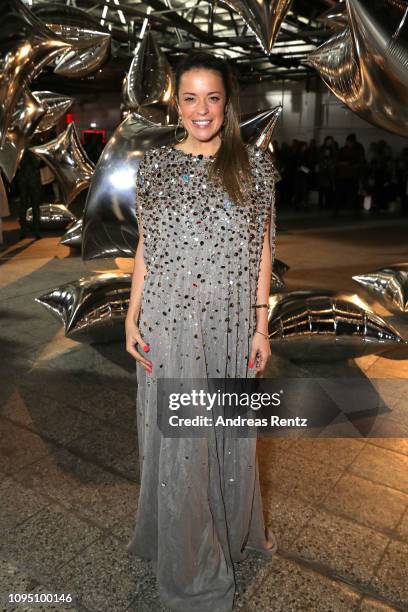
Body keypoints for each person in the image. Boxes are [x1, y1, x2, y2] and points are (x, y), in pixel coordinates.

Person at [125, 50, 278, 611]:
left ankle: (233, 529)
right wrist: (130, 312)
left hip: (234, 324)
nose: (201, 109)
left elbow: (263, 250)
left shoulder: (255, 167)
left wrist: (261, 326)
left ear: (227, 103)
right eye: (190, 98)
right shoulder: (155, 166)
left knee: (229, 435)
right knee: (184, 442)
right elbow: (147, 245)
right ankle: (191, 563)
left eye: (212, 97)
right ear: (177, 104)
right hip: (168, 323)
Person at [334, 133, 366, 218]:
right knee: (341, 194)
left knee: (352, 195)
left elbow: (361, 163)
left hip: (351, 175)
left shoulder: (357, 150)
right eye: (348, 142)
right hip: (345, 175)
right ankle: (337, 211)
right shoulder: (345, 150)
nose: (349, 143)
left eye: (350, 142)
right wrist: (343, 164)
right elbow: (336, 162)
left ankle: (355, 211)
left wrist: (350, 165)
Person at [15, 149, 43, 239]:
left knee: (24, 205)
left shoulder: (20, 147)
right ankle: (35, 230)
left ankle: (24, 229)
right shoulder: (33, 148)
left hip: (24, 180)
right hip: (32, 181)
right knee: (34, 206)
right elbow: (37, 164)